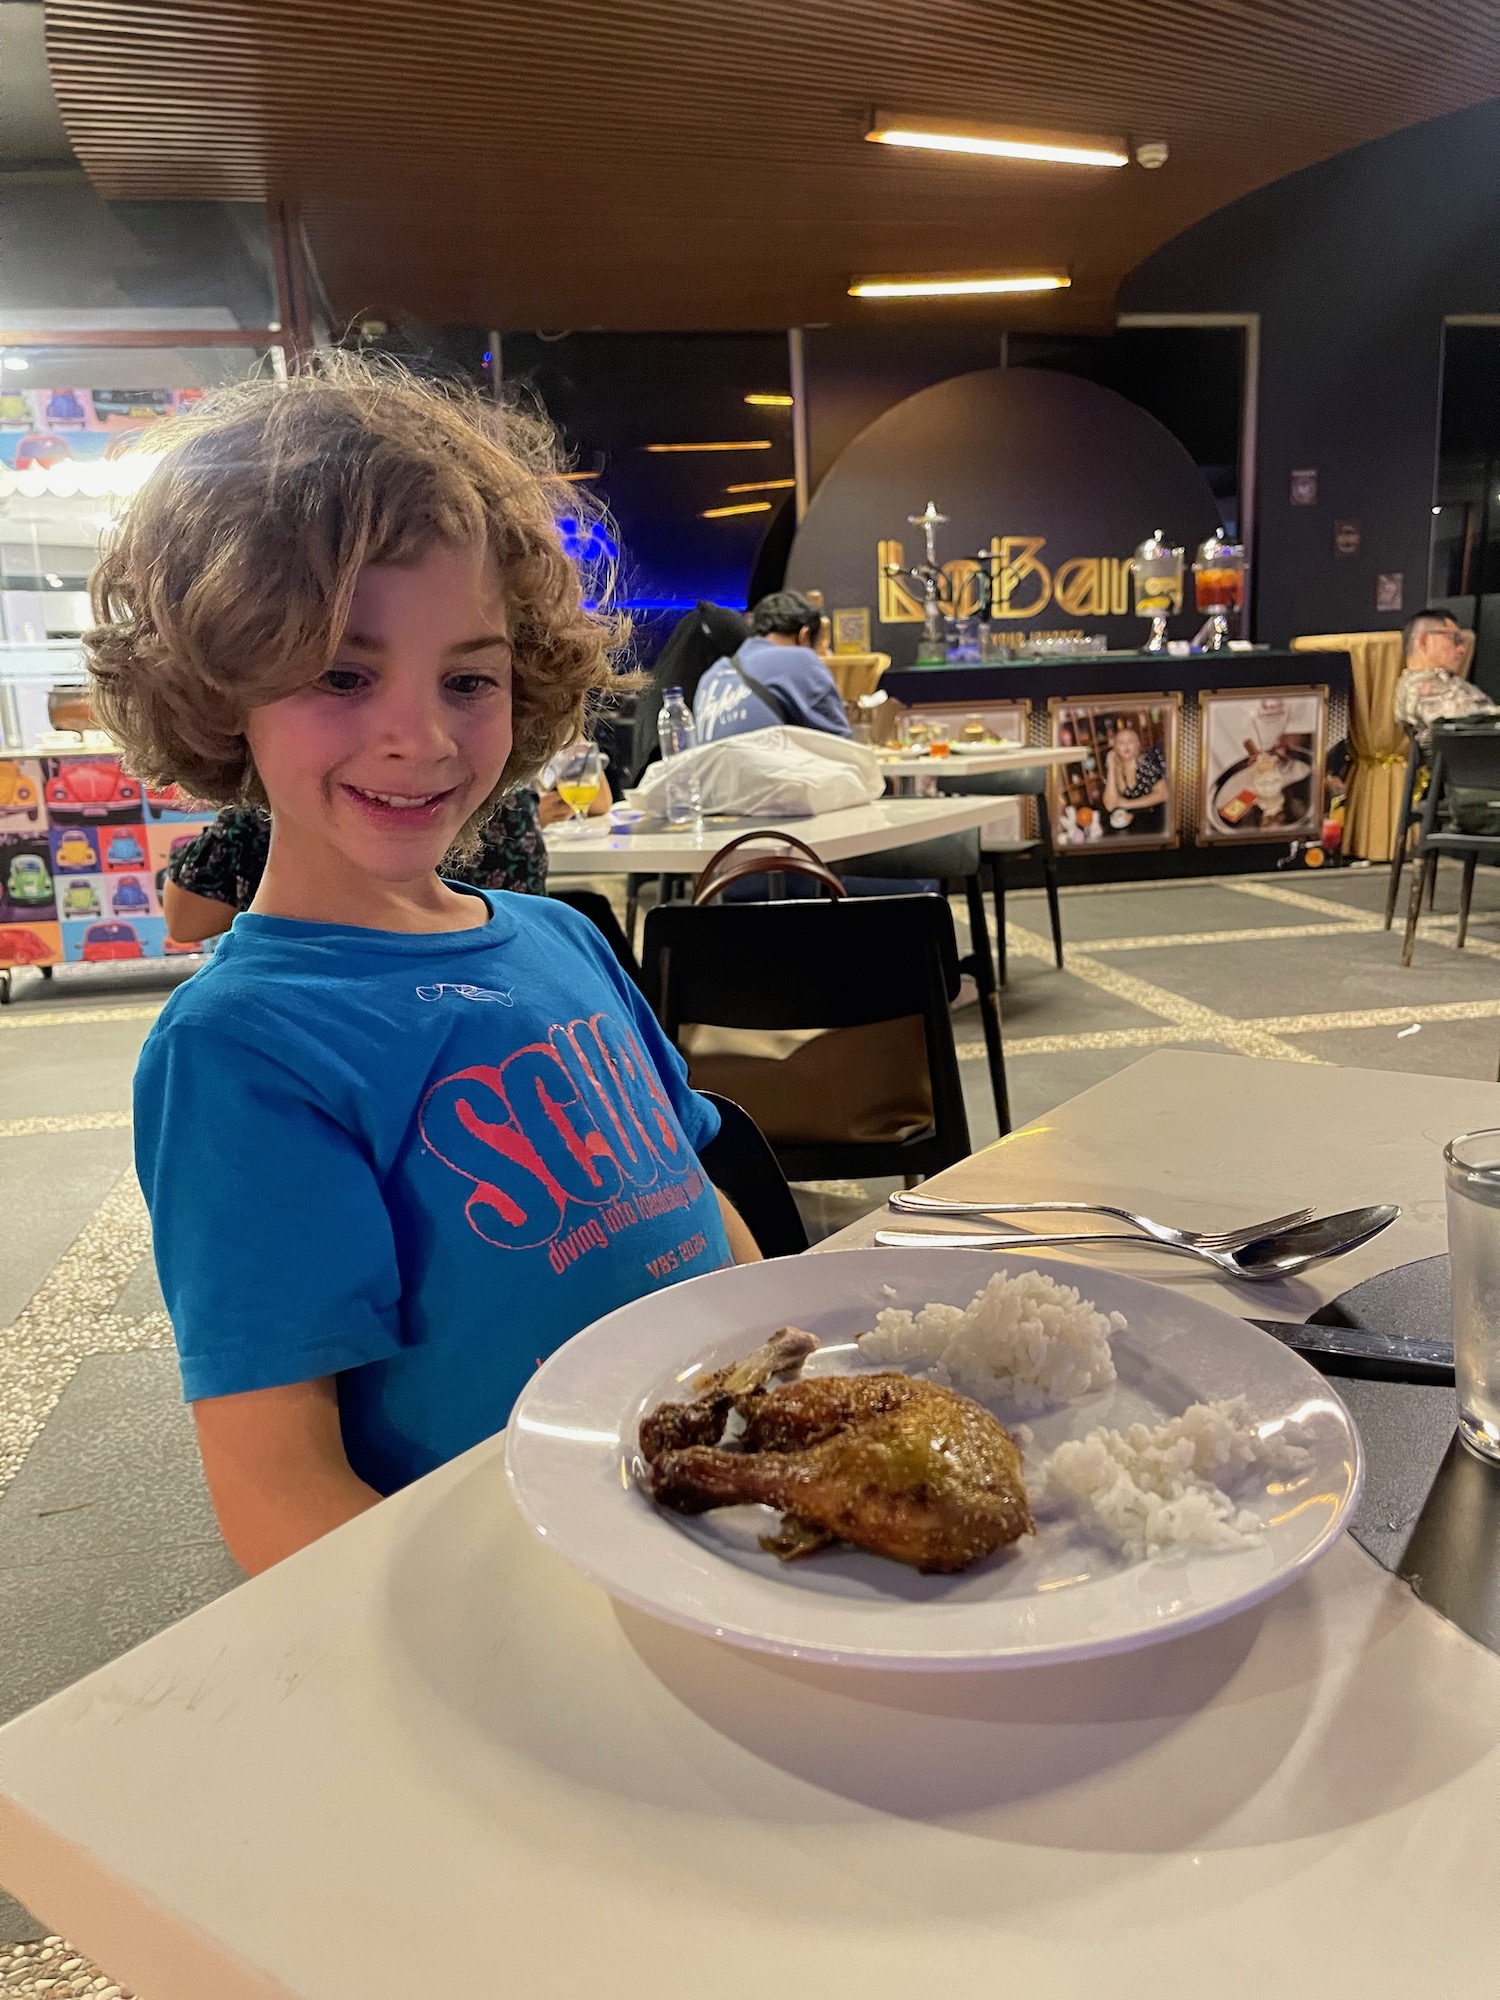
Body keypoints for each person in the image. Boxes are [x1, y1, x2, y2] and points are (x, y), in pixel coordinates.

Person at [87, 356, 759, 1576]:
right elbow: (279, 1499)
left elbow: (703, 1213)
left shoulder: (560, 937)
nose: (422, 733)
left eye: (469, 676)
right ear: (226, 684)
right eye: (343, 673)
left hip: (738, 1532)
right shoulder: (243, 1050)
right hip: (523, 1598)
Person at [693, 590, 852, 743]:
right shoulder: (801, 659)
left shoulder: (711, 676)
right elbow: (842, 747)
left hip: (717, 770)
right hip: (774, 769)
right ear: (804, 636)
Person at [1393, 608, 1495, 743]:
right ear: (1423, 641)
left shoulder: (1447, 681)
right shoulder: (1419, 688)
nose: (1462, 649)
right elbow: (1467, 728)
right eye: (1455, 639)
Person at [1101, 723, 1168, 835]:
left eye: (1131, 741)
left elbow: (1164, 794)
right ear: (1115, 748)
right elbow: (1110, 805)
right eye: (1121, 742)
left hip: (1158, 821)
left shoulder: (1148, 762)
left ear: (1137, 745)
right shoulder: (1112, 768)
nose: (1126, 745)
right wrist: (1111, 767)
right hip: (1132, 823)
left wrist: (1126, 804)